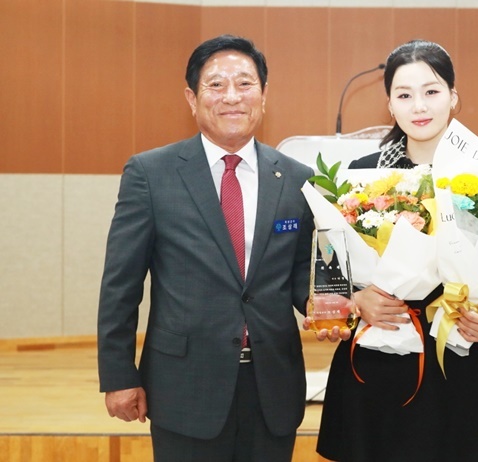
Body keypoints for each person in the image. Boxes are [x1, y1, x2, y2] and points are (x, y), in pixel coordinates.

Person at [308, 40, 478, 462]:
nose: (419, 106)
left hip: (467, 356)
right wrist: (356, 299)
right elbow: (331, 266)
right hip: (383, 357)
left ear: (453, 96)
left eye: (431, 91)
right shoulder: (360, 175)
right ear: (389, 105)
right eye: (404, 95)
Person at [97, 34, 315, 462]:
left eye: (245, 83)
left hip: (273, 385)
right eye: (216, 84)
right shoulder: (151, 174)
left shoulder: (296, 178)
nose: (232, 96)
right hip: (184, 385)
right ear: (192, 99)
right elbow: (120, 285)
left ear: (264, 95)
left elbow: (300, 277)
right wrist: (119, 375)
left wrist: (335, 307)